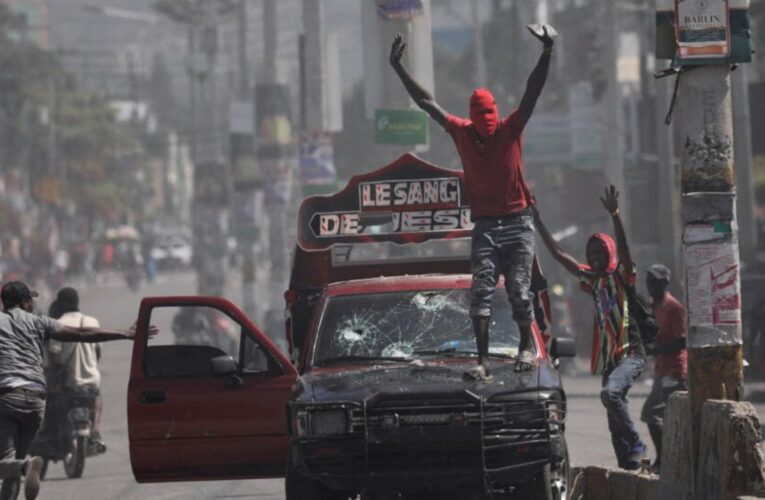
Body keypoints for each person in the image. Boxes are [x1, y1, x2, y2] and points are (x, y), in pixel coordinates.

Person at [389, 24, 557, 380]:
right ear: (473, 119)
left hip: (517, 222)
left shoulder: (510, 129)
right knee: (480, 291)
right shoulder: (462, 131)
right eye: (481, 123)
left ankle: (526, 346)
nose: (486, 128)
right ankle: (481, 361)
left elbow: (532, 91)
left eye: (490, 121)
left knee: (519, 291)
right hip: (485, 225)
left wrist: (547, 51)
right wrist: (399, 68)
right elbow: (426, 102)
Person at [533, 186, 648, 470]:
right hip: (611, 360)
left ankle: (637, 442)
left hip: (631, 353)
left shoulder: (622, 276)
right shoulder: (591, 281)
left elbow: (625, 249)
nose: (594, 255)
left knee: (609, 395)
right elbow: (560, 254)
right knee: (612, 416)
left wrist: (615, 215)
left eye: (599, 251)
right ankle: (629, 466)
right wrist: (537, 221)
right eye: (591, 251)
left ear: (609, 254)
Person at [0, 281, 149, 499]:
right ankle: (24, 466)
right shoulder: (38, 322)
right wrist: (125, 333)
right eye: (30, 300)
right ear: (24, 303)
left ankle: (26, 467)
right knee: (14, 459)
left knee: (7, 462)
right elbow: (82, 333)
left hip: (7, 397)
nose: (33, 303)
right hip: (35, 400)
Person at [45, 287, 106, 451]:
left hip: (68, 382)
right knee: (97, 397)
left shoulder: (57, 324)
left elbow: (54, 357)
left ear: (60, 303)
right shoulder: (92, 322)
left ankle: (53, 436)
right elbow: (97, 353)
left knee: (53, 405)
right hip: (91, 380)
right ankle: (95, 432)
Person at [640, 264, 687, 473]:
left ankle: (665, 459)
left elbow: (682, 341)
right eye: (649, 280)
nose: (650, 285)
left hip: (674, 371)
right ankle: (669, 460)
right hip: (661, 370)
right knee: (662, 416)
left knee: (652, 413)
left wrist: (655, 349)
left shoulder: (674, 308)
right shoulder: (653, 306)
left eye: (655, 281)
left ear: (665, 283)